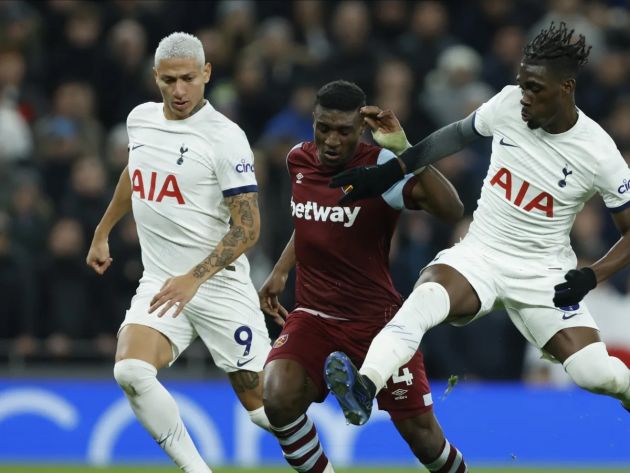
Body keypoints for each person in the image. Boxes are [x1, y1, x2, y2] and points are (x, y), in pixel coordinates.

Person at [323, 22, 630, 426]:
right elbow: (453, 136)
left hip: (544, 276)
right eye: (522, 85)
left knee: (595, 374)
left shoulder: (599, 152)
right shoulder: (506, 106)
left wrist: (592, 275)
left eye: (535, 89)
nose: (524, 98)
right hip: (481, 254)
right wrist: (389, 171)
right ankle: (366, 386)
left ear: (566, 87)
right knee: (425, 297)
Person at [259, 80, 468, 473]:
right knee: (276, 395)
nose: (332, 140)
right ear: (313, 122)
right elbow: (310, 220)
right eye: (324, 128)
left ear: (361, 128)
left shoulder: (380, 170)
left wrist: (406, 150)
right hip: (314, 317)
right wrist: (281, 269)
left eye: (343, 131)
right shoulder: (298, 161)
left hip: (378, 325)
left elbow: (452, 209)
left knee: (424, 439)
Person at [86, 32, 271, 473]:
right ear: (156, 78)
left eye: (189, 78)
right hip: (162, 282)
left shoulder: (225, 137)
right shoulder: (140, 120)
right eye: (169, 80)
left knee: (267, 412)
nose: (179, 90)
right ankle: (196, 469)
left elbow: (248, 229)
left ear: (207, 73)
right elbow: (135, 175)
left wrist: (194, 278)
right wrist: (102, 231)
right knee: (130, 371)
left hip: (218, 285)